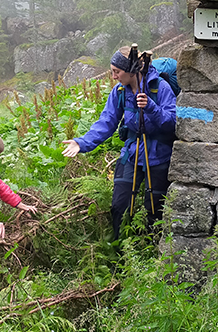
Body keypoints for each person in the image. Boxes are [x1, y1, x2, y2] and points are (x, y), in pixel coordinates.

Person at [62, 46, 177, 240]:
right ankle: (119, 250)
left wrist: (151, 107)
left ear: (132, 71)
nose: (114, 77)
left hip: (158, 156)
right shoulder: (120, 92)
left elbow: (173, 121)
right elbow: (106, 122)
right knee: (119, 206)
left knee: (155, 210)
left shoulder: (160, 88)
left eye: (117, 72)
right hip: (131, 154)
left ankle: (152, 251)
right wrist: (82, 143)